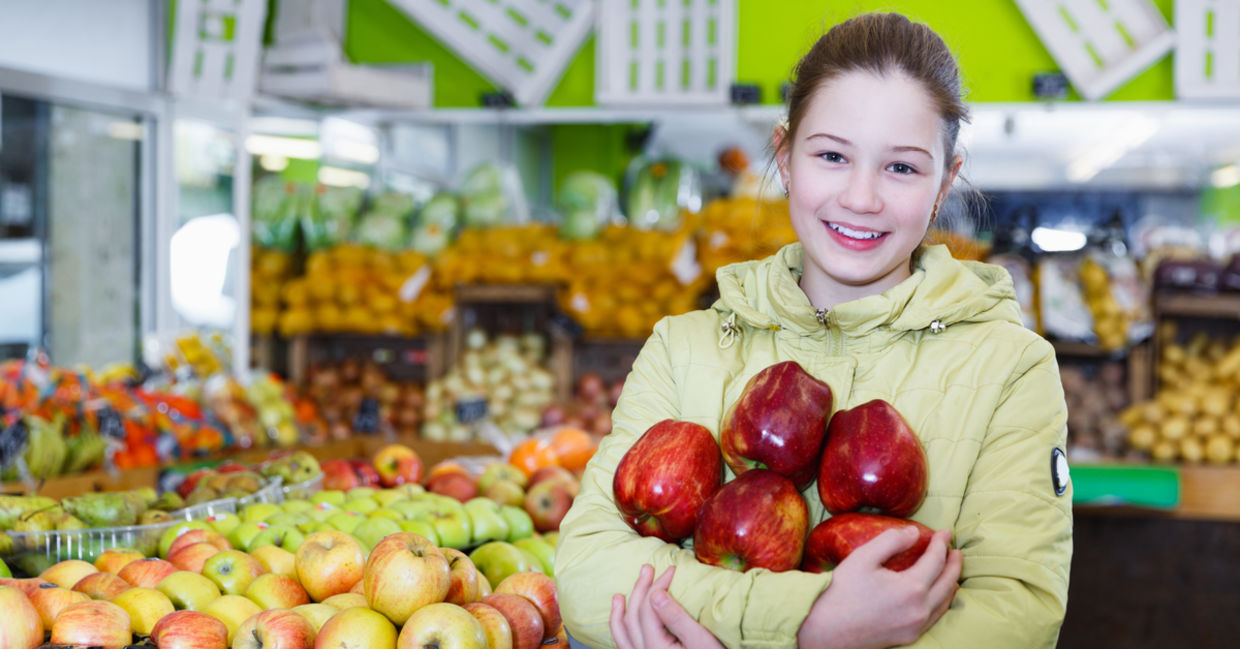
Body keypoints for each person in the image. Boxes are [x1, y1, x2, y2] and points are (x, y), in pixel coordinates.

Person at [554, 11, 1073, 649]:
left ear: (944, 183)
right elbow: (584, 576)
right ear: (786, 157)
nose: (860, 197)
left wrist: (720, 622)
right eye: (831, 155)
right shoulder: (681, 347)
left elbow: (1016, 617)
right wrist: (812, 624)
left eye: (902, 168)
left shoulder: (1010, 367)